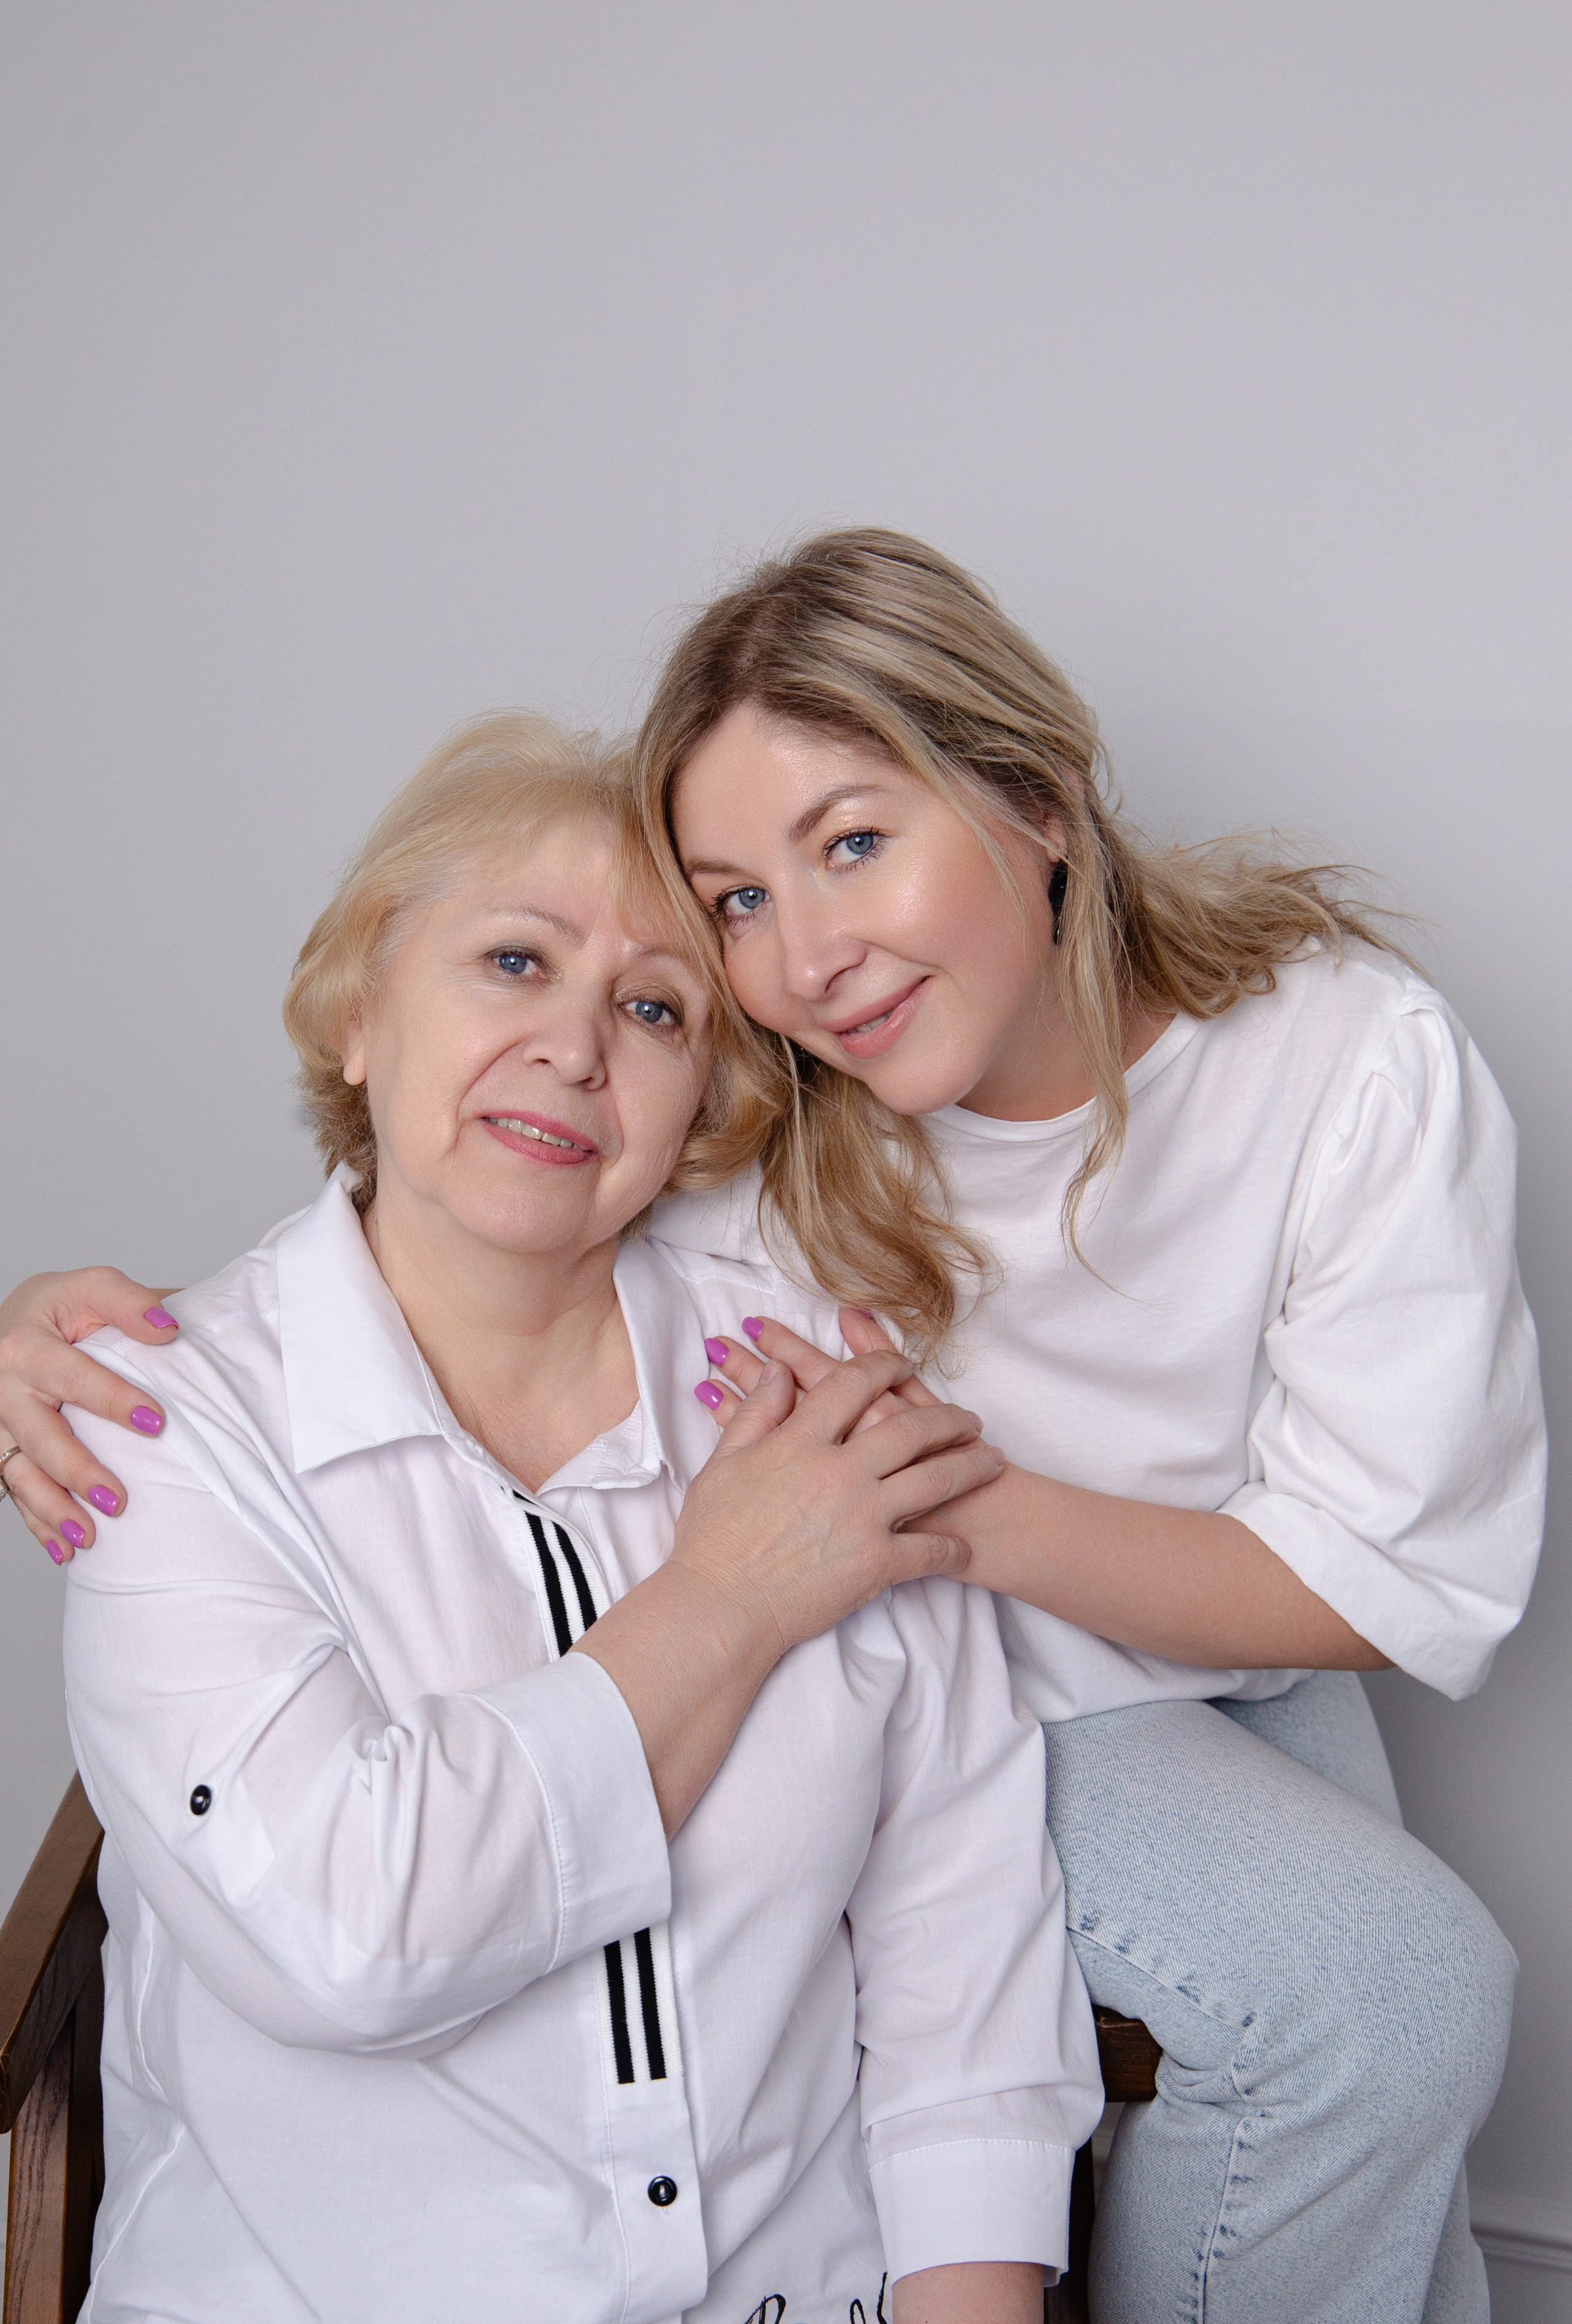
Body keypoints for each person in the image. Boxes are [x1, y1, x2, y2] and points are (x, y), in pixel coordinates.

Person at [0, 529, 1547, 2319]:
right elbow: (448, 1217)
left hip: (1220, 1623)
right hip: (987, 1674)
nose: (805, 959)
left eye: (854, 845)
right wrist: (92, 1336)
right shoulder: (759, 1130)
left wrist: (936, 1504)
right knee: (1388, 2003)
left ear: (1040, 800)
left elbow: (1379, 1577)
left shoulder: (1342, 1060)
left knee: (1395, 2104)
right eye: (735, 900)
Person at [8, 714, 1101, 2324]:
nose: (578, 1049)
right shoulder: (155, 1428)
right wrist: (729, 1599)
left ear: (703, 1100)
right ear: (359, 1012)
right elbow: (348, 1933)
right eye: (515, 962)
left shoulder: (810, 1385)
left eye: (654, 1009)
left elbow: (965, 1963)